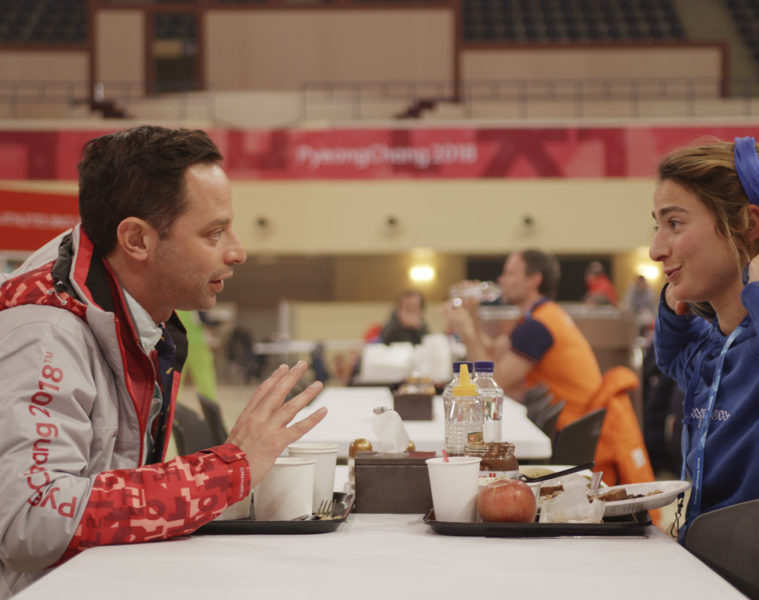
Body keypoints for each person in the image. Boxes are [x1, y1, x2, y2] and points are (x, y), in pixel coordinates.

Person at [0, 125, 327, 597]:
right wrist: (226, 472)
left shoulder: (128, 307)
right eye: (214, 233)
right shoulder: (44, 333)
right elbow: (28, 520)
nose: (238, 251)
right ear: (137, 239)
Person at [650, 135, 759, 540]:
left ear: (748, 225)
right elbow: (672, 353)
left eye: (674, 224)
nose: (655, 250)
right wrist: (671, 303)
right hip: (702, 562)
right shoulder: (717, 348)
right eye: (657, 226)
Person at [442, 249, 602, 410]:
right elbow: (492, 351)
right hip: (572, 416)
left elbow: (494, 384)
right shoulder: (542, 314)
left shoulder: (538, 326)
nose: (501, 280)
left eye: (509, 273)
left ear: (533, 280)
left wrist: (466, 332)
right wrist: (472, 314)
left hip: (570, 419)